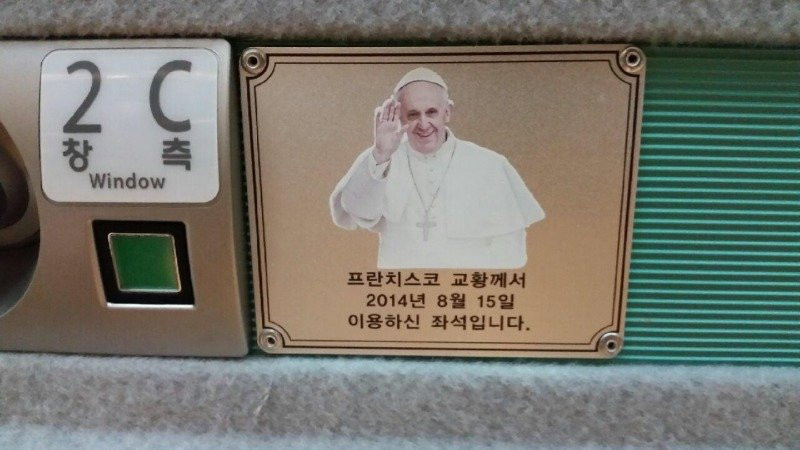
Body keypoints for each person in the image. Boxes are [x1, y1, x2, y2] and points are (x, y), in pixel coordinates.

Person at [330, 67, 545, 269]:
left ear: (447, 112)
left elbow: (512, 249)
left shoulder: (490, 165)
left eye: (431, 112)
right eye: (413, 114)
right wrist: (381, 154)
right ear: (400, 116)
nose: (424, 124)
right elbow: (357, 213)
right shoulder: (379, 158)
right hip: (399, 289)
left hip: (466, 289)